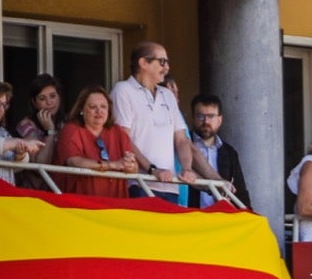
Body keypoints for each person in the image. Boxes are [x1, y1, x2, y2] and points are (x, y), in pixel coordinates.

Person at [110, 42, 216, 202]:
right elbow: (124, 138)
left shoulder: (167, 95)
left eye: (167, 62)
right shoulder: (123, 90)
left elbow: (181, 139)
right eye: (162, 62)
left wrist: (187, 169)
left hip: (170, 186)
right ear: (143, 63)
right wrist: (153, 170)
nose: (167, 67)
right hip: (138, 184)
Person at [54, 86, 139, 196]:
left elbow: (135, 168)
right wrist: (113, 165)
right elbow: (73, 161)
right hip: (80, 205)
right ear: (81, 110)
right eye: (93, 107)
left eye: (103, 106)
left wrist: (130, 165)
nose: (99, 111)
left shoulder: (118, 132)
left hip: (116, 205)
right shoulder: (71, 130)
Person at [189, 94, 250, 208]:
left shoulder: (229, 153)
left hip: (221, 217)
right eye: (200, 116)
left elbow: (240, 191)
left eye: (211, 116)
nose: (206, 121)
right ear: (193, 118)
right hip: (190, 216)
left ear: (220, 120)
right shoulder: (184, 146)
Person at [15, 73, 66, 166]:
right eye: (42, 98)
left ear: (59, 97)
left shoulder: (64, 124)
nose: (49, 102)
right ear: (34, 102)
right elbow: (40, 164)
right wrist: (49, 131)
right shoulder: (26, 125)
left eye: (53, 96)